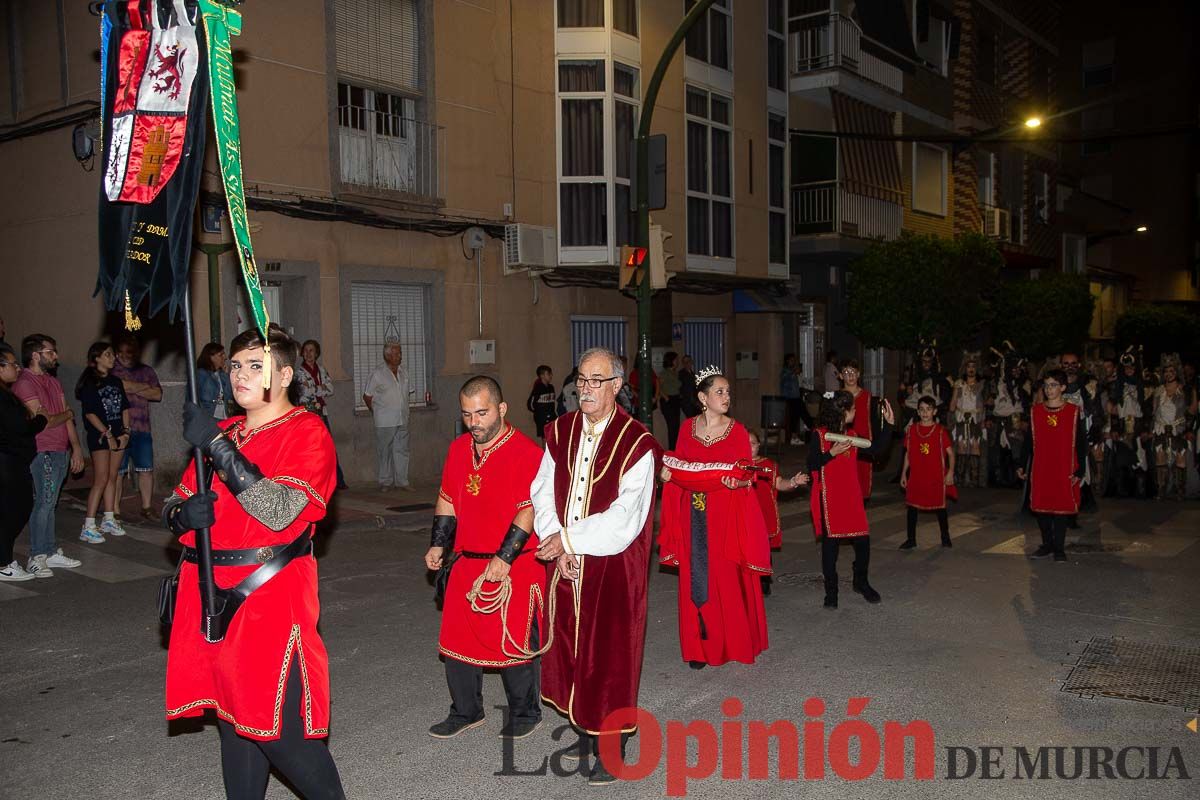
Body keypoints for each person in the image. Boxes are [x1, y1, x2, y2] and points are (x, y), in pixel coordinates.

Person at [165, 327, 345, 799]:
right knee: (234, 721)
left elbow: (281, 512)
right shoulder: (223, 431)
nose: (240, 376)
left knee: (280, 730)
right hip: (208, 592)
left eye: (255, 367)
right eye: (235, 367)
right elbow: (173, 504)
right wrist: (183, 513)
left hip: (269, 592)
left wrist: (219, 450)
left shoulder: (307, 432)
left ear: (284, 375)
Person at [530, 347, 660, 786]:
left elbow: (626, 518)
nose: (585, 389)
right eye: (582, 380)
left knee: (609, 656)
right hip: (566, 563)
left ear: (617, 386)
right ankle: (584, 728)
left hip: (612, 567)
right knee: (570, 648)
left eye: (596, 380)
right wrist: (558, 542)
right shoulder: (559, 431)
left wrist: (567, 539)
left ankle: (614, 741)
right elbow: (542, 490)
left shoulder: (638, 442)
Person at [423, 376, 545, 739]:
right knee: (457, 642)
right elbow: (448, 497)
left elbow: (530, 509)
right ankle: (465, 711)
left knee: (512, 640)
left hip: (515, 562)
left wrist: (504, 558)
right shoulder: (459, 449)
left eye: (482, 412)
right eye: (467, 414)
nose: (474, 422)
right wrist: (438, 544)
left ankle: (525, 712)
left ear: (502, 409)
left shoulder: (527, 453)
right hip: (466, 559)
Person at [658, 369, 772, 669]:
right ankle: (698, 646)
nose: (726, 397)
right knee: (695, 577)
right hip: (692, 513)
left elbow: (747, 473)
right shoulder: (686, 428)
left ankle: (729, 643)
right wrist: (666, 475)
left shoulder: (736, 431)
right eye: (719, 392)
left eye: (728, 392)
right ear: (702, 397)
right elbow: (680, 464)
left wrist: (740, 483)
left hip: (724, 514)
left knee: (723, 578)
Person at [808, 390, 895, 608]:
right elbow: (812, 465)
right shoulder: (819, 436)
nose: (855, 411)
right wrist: (832, 453)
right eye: (853, 408)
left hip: (851, 498)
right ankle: (831, 592)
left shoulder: (853, 434)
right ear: (843, 411)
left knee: (863, 542)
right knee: (830, 548)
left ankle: (861, 581)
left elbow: (876, 450)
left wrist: (889, 426)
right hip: (829, 499)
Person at [12, 334, 83, 577]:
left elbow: (64, 416)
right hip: (42, 450)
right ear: (35, 355)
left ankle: (50, 551)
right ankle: (36, 555)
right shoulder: (25, 383)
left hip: (60, 448)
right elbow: (43, 422)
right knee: (43, 502)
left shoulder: (53, 381)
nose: (56, 356)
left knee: (50, 503)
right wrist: (65, 415)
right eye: (50, 352)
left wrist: (76, 447)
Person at [1017, 368, 1087, 562]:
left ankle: (1059, 548)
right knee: (1042, 507)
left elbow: (1081, 443)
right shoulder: (1036, 412)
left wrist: (1080, 470)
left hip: (1063, 468)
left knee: (1060, 509)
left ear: (1063, 387)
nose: (1049, 389)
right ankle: (1047, 544)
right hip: (1041, 467)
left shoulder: (1073, 412)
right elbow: (1029, 442)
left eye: (1054, 385)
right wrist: (1022, 464)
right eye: (1046, 385)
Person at [0, 344, 47, 581]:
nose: (16, 368)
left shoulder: (7, 394)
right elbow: (18, 428)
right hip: (8, 462)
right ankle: (3, 563)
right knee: (14, 510)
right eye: (12, 364)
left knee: (16, 509)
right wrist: (39, 420)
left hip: (14, 460)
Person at [75, 341, 130, 544]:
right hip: (100, 436)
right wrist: (106, 434)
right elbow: (90, 413)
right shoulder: (91, 383)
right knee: (101, 478)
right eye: (107, 354)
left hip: (118, 434)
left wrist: (125, 432)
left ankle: (108, 518)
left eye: (112, 354)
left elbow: (124, 407)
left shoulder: (116, 381)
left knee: (113, 476)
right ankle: (88, 525)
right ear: (96, 358)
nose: (112, 358)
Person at [112, 334, 162, 522]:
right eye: (124, 353)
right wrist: (142, 388)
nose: (127, 357)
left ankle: (146, 507)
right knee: (118, 472)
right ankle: (115, 509)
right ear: (118, 353)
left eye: (131, 353)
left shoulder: (146, 370)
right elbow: (117, 387)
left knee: (146, 469)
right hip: (119, 428)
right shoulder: (112, 370)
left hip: (142, 428)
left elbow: (157, 394)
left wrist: (130, 387)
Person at [899, 396, 955, 549]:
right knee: (912, 507)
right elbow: (908, 453)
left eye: (928, 409)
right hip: (917, 475)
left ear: (934, 411)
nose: (925, 413)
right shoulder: (911, 430)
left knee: (940, 507)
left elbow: (950, 453)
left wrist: (950, 472)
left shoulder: (940, 431)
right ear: (918, 411)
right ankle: (911, 539)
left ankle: (945, 537)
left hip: (935, 476)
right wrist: (904, 473)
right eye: (922, 409)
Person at [746, 428, 809, 554]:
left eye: (752, 443)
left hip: (762, 516)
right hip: (742, 517)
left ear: (759, 445)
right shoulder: (735, 465)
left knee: (761, 555)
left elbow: (779, 484)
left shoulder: (768, 465)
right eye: (744, 443)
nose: (748, 446)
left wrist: (793, 482)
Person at [296, 339, 347, 490]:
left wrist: (314, 387)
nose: (308, 354)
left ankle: (336, 480)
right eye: (305, 351)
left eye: (311, 350)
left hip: (322, 413)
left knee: (328, 446)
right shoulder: (299, 373)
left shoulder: (322, 370)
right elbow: (304, 391)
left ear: (316, 353)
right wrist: (319, 387)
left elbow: (330, 389)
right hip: (307, 414)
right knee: (310, 448)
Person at [363, 341, 414, 492]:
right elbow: (367, 396)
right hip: (385, 421)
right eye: (397, 353)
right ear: (387, 355)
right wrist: (376, 412)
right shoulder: (377, 373)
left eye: (400, 353)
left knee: (402, 450)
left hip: (402, 418)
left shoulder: (404, 372)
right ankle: (385, 481)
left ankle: (402, 482)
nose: (400, 356)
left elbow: (408, 393)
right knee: (384, 451)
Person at [1151, 356, 1194, 501]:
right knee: (1160, 457)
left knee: (1180, 459)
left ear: (1176, 372)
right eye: (1166, 371)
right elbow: (1153, 411)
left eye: (1171, 371)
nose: (1168, 374)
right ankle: (1161, 489)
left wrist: (1188, 429)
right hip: (1160, 428)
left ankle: (1179, 490)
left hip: (1178, 428)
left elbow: (1192, 411)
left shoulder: (1185, 390)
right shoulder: (1158, 391)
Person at [949, 352, 985, 488]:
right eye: (968, 367)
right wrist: (955, 390)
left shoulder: (981, 385)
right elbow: (952, 407)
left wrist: (983, 421)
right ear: (965, 369)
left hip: (975, 419)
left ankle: (974, 480)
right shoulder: (959, 384)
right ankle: (959, 478)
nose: (971, 369)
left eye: (973, 367)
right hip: (961, 419)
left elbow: (984, 405)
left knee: (975, 448)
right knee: (961, 448)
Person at [839, 359, 874, 499]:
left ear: (858, 374)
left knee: (862, 479)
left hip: (863, 442)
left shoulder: (867, 396)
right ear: (841, 376)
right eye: (846, 372)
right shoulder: (837, 396)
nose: (850, 376)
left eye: (853, 372)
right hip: (843, 442)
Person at [780, 353, 813, 445]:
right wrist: (794, 372)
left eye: (794, 360)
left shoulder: (791, 371)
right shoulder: (785, 371)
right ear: (787, 361)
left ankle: (808, 431)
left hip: (795, 397)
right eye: (792, 360)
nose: (793, 362)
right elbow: (785, 382)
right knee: (796, 416)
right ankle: (795, 436)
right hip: (790, 398)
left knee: (799, 415)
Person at [195, 342, 234, 419]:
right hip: (208, 416)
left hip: (223, 416)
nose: (225, 357)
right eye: (221, 355)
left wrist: (226, 375)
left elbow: (229, 395)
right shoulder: (201, 374)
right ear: (211, 357)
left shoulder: (221, 374)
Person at [658, 351, 683, 449]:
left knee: (676, 426)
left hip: (676, 399)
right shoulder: (664, 373)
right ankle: (672, 450)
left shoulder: (675, 373)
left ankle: (675, 449)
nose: (677, 362)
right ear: (671, 360)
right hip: (668, 400)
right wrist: (665, 397)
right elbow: (658, 386)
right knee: (672, 426)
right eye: (676, 359)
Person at [526, 364, 559, 438]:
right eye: (548, 374)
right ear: (542, 375)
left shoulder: (551, 387)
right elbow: (530, 404)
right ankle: (545, 449)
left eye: (551, 373)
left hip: (552, 415)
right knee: (545, 437)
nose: (551, 375)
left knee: (554, 436)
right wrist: (539, 412)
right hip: (542, 417)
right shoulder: (538, 388)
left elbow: (552, 403)